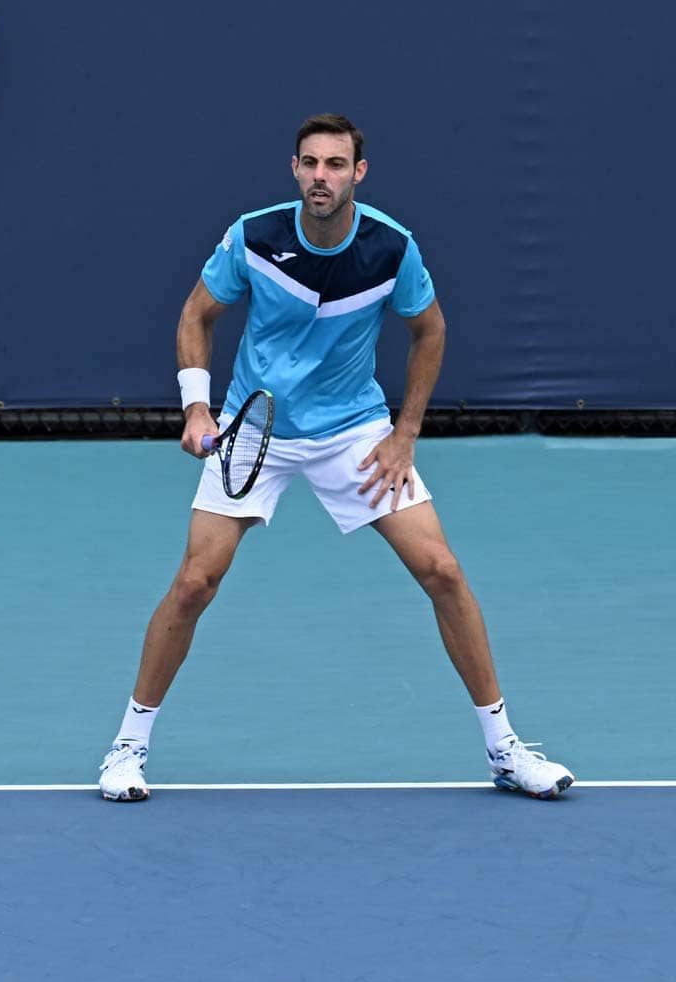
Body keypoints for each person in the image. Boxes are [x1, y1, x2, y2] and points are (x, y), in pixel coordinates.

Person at [98, 114, 574, 802]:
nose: (321, 176)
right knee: (196, 583)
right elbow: (197, 314)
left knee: (441, 571)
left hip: (353, 431)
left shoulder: (391, 248)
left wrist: (405, 433)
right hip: (256, 432)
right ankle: (127, 748)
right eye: (310, 163)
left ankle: (504, 750)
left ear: (359, 173)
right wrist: (197, 405)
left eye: (335, 164)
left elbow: (430, 330)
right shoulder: (254, 236)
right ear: (294, 169)